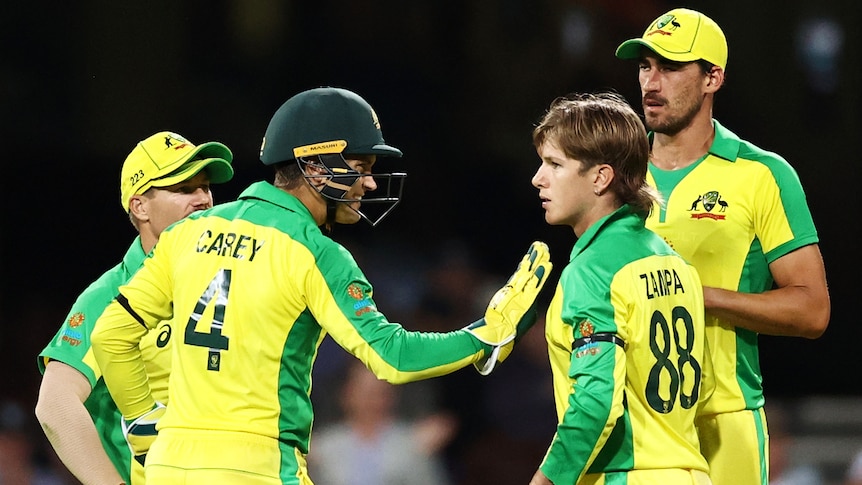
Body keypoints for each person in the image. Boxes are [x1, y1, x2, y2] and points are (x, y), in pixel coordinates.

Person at [89, 86, 552, 484]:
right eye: (360, 165)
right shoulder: (317, 253)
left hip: (169, 468)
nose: (369, 183)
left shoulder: (189, 232)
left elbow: (111, 337)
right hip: (260, 468)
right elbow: (393, 358)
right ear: (314, 166)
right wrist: (485, 336)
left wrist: (145, 425)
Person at [614, 7, 830, 484]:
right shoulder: (615, 174)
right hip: (628, 421)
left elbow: (812, 310)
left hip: (724, 423)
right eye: (645, 66)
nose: (651, 82)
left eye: (670, 67)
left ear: (713, 78)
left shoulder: (763, 175)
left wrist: (695, 295)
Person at [527, 92, 712, 485]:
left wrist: (546, 480)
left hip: (627, 475)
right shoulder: (676, 263)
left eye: (554, 164)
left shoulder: (592, 271)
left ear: (600, 177)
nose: (538, 178)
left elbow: (595, 403)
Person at [34, 131, 235, 485]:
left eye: (205, 187)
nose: (203, 199)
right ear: (140, 206)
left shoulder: (230, 277)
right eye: (184, 189)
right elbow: (55, 406)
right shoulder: (110, 294)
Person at [307, 360, 455, 485]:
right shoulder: (321, 446)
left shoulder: (416, 441)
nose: (373, 401)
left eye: (380, 393)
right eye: (366, 393)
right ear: (346, 394)